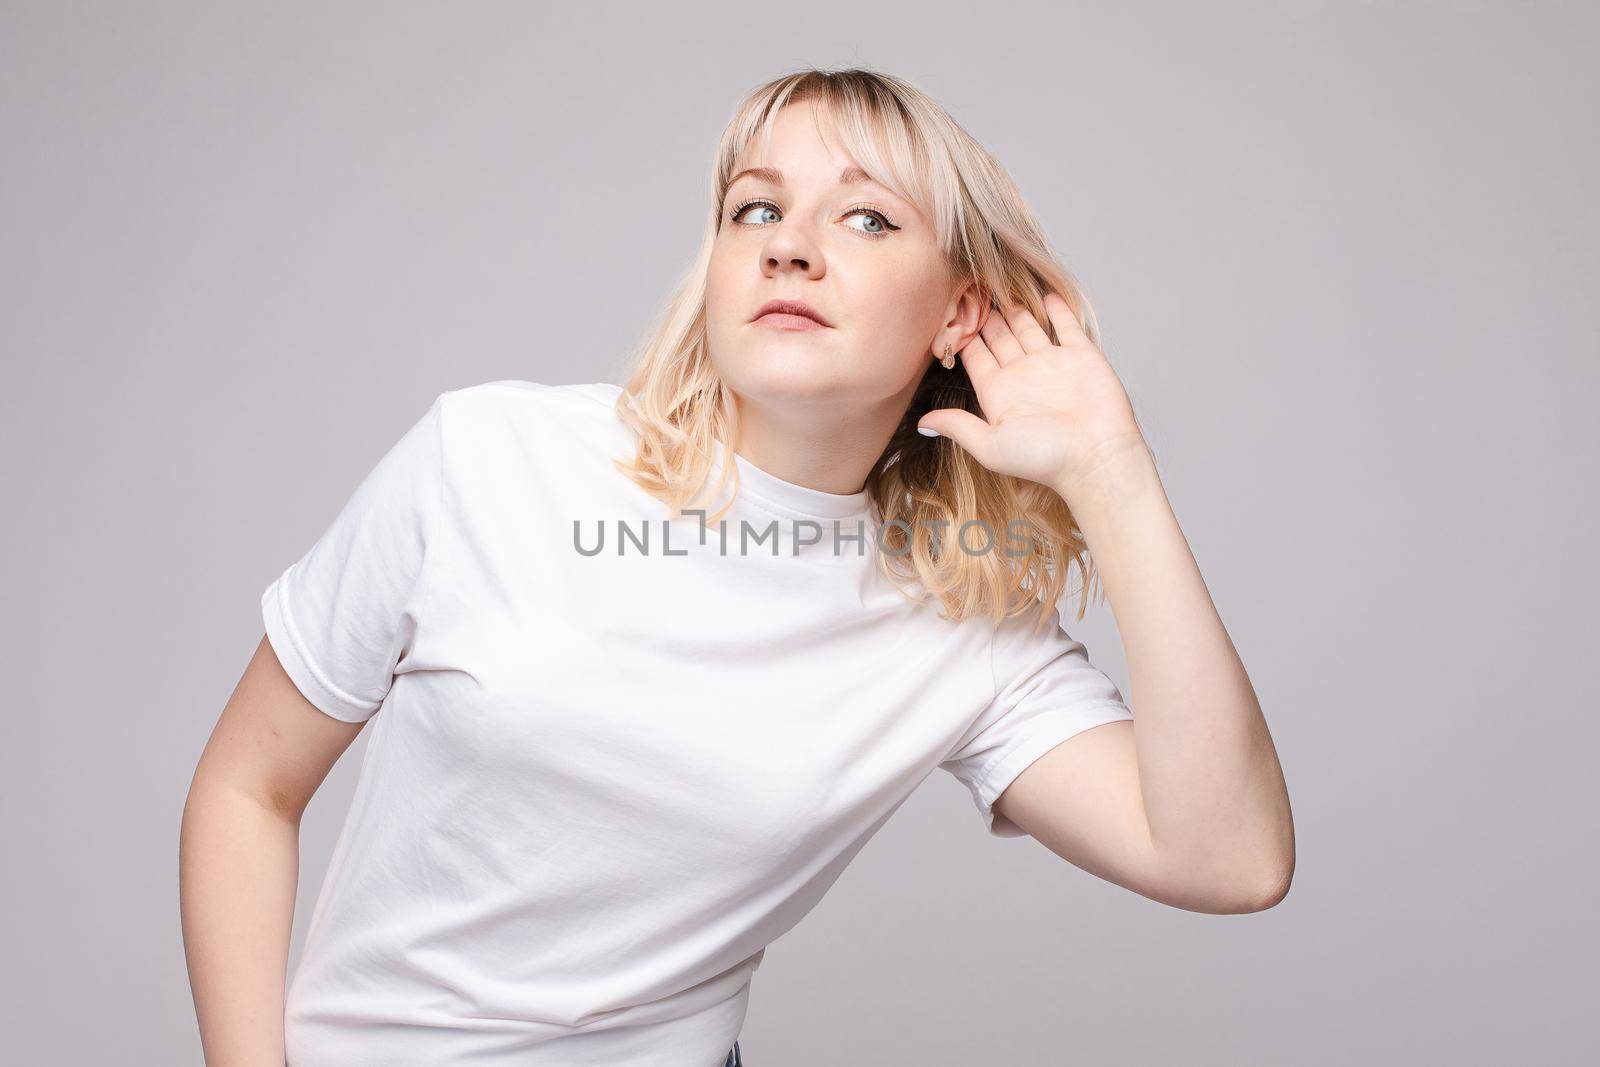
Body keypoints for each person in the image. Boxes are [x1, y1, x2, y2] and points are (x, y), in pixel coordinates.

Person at [180, 67, 1294, 1066]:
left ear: (958, 309)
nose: (790, 242)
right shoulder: (485, 459)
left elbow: (1230, 858)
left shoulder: (959, 619)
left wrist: (1113, 472)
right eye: (754, 206)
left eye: (865, 217)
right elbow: (246, 786)